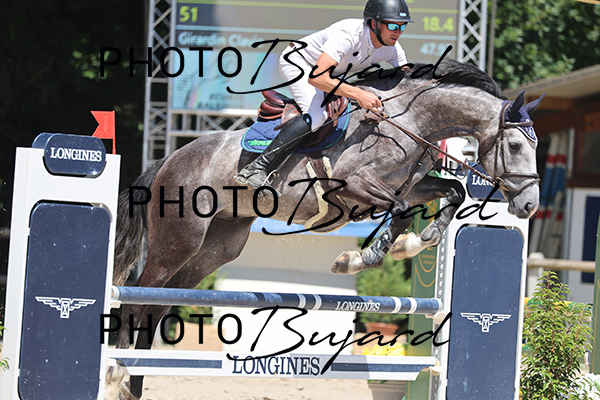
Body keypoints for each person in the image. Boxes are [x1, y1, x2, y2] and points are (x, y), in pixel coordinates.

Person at [235, 0, 413, 197]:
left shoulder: (393, 48)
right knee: (317, 116)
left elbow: (408, 81)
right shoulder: (349, 34)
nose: (398, 32)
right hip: (300, 63)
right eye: (393, 26)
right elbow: (317, 78)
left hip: (330, 74)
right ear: (373, 23)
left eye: (402, 26)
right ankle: (257, 167)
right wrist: (359, 94)